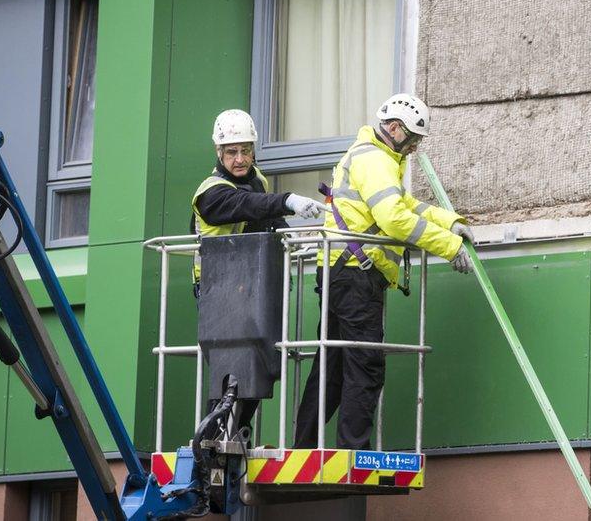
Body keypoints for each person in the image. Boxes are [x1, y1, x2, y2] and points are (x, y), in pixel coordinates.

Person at [293, 94, 473, 450]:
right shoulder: (376, 160)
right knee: (365, 364)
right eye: (412, 139)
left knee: (331, 365)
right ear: (394, 129)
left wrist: (449, 222)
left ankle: (303, 446)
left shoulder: (375, 157)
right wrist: (448, 246)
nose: (414, 148)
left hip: (338, 270)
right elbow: (393, 218)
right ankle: (351, 452)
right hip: (356, 275)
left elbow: (406, 205)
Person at [192, 108, 325, 432]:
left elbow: (264, 218)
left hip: (250, 285)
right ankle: (212, 445)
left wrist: (295, 236)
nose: (240, 159)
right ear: (219, 153)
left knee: (259, 368)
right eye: (232, 152)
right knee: (231, 373)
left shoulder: (256, 180)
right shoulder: (210, 193)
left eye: (246, 151)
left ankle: (234, 436)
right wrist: (288, 200)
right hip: (217, 289)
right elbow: (247, 206)